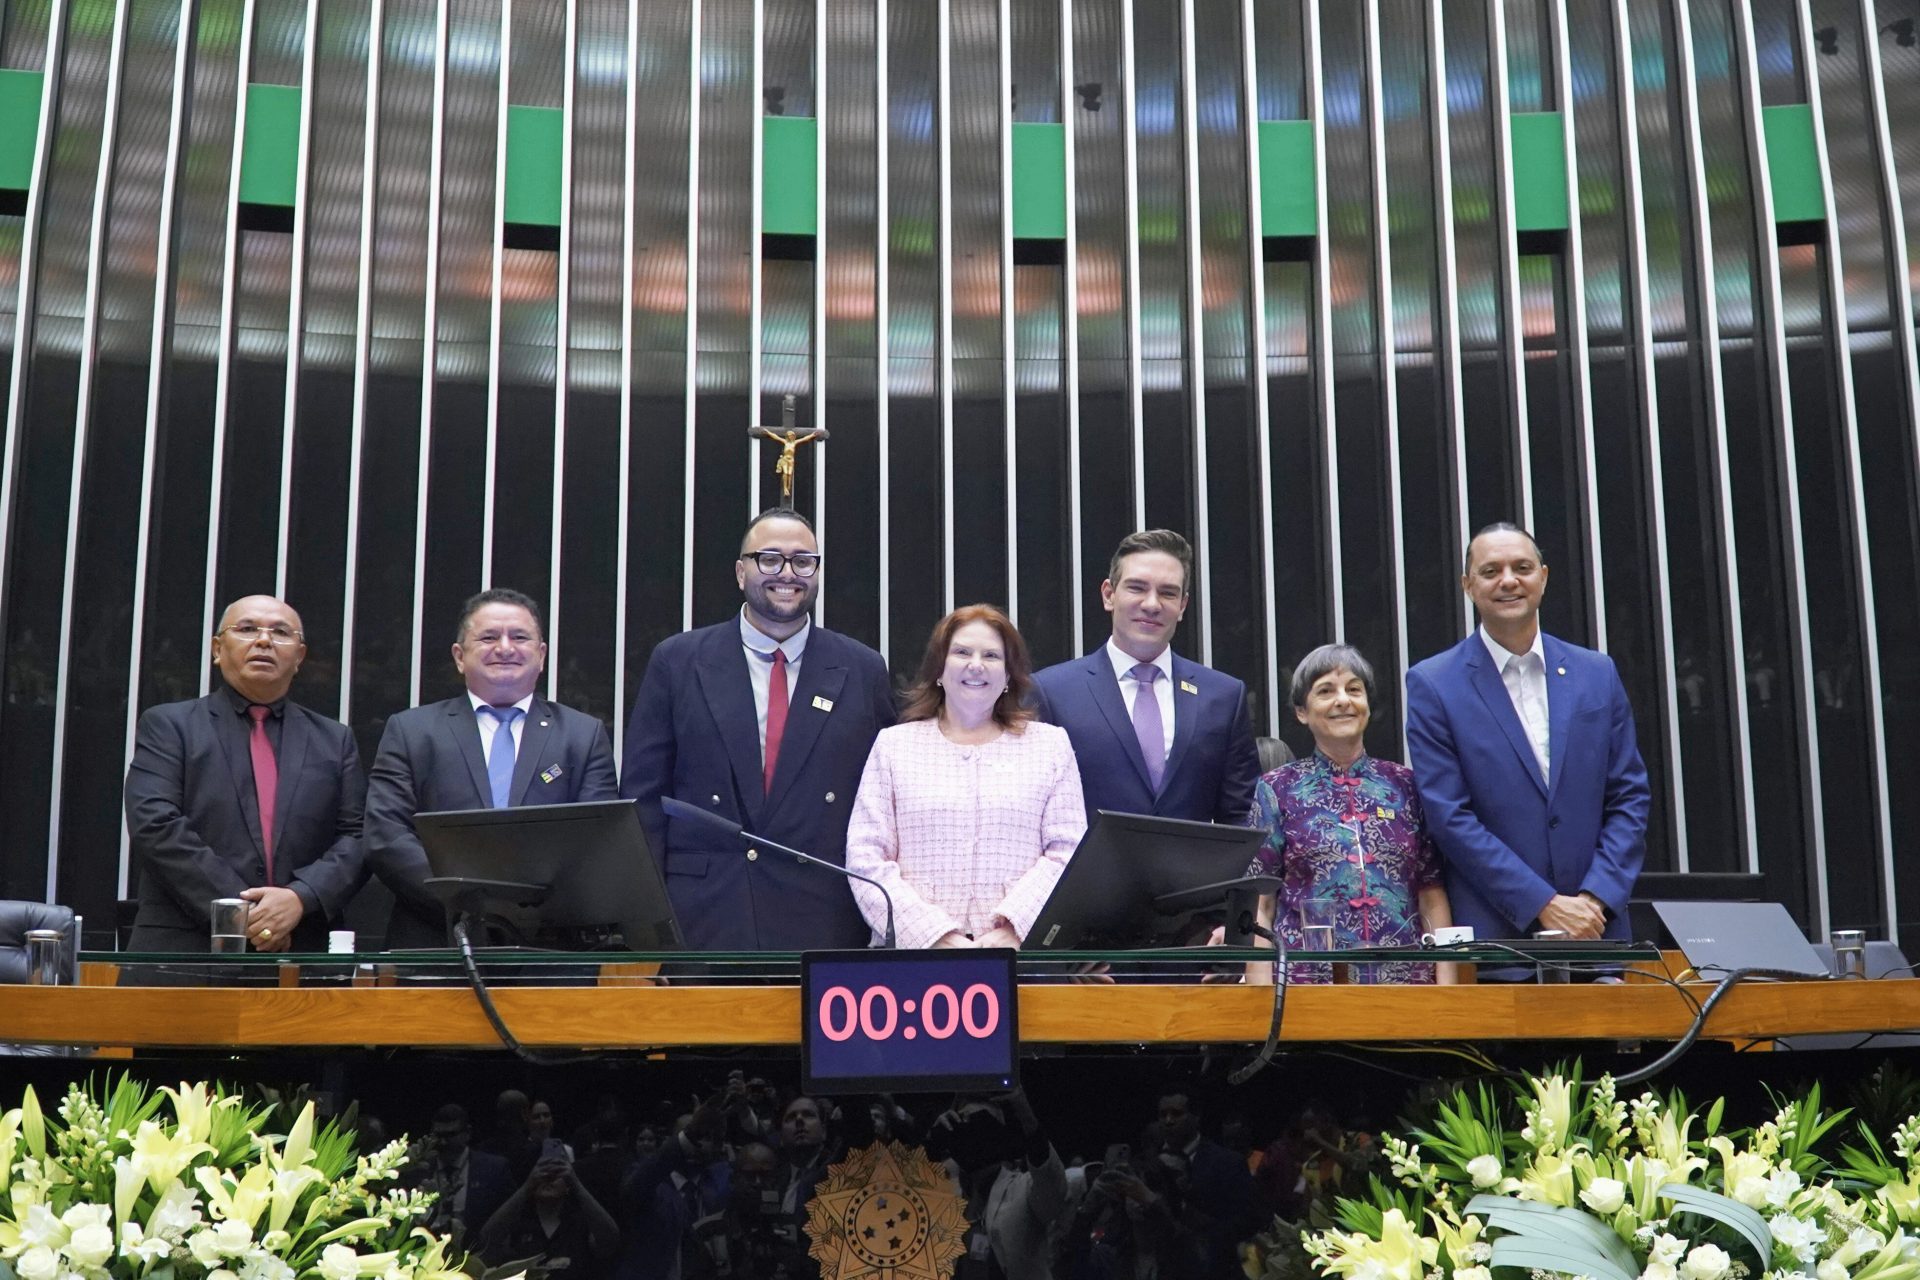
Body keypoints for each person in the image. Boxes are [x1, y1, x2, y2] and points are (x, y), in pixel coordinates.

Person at [620, 508, 895, 951]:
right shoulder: (678, 661)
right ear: (739, 571)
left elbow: (884, 803)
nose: (787, 573)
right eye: (769, 558)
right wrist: (647, 937)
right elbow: (643, 803)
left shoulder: (863, 669)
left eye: (803, 561)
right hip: (702, 919)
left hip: (825, 918)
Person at [1404, 523, 1651, 946]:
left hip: (1598, 934)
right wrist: (1543, 903)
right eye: (1490, 571)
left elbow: (1629, 796)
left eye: (1522, 567)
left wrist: (1595, 899)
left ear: (1544, 577)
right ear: (1468, 585)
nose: (1508, 581)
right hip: (1500, 942)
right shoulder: (1434, 684)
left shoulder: (1596, 673)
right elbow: (1450, 817)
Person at [365, 588, 619, 949]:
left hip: (548, 948)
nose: (504, 648)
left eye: (519, 637)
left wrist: (525, 909)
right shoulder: (412, 731)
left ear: (541, 654)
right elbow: (386, 836)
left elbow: (597, 840)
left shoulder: (582, 735)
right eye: (488, 637)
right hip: (434, 939)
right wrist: (465, 901)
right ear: (459, 655)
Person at [123, 595, 367, 953]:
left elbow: (358, 836)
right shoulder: (170, 725)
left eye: (281, 632)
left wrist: (300, 897)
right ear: (218, 649)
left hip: (301, 947)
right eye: (248, 629)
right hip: (185, 949)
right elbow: (155, 824)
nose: (264, 640)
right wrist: (246, 915)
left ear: (299, 657)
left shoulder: (334, 739)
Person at [845, 605, 1086, 949]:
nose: (976, 665)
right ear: (939, 669)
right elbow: (865, 857)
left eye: (991, 655)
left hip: (1020, 960)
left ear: (1008, 676)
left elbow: (1067, 852)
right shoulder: (894, 746)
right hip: (913, 963)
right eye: (961, 652)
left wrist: (1016, 930)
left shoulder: (1050, 746)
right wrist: (932, 936)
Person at [1243, 644, 1453, 985]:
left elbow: (1431, 893)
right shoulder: (1277, 788)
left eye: (1354, 690)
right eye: (1325, 691)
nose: (1343, 700)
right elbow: (1260, 903)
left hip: (1407, 985)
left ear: (1368, 705)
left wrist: (1448, 990)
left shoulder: (1406, 785)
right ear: (1301, 712)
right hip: (1307, 988)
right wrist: (1260, 998)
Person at [1032, 530, 1258, 825]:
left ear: (1182, 606)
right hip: (1089, 870)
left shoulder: (1224, 696)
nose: (1152, 604)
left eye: (1167, 593)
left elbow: (1242, 815)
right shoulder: (1052, 691)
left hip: (1198, 872)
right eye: (1137, 588)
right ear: (1108, 595)